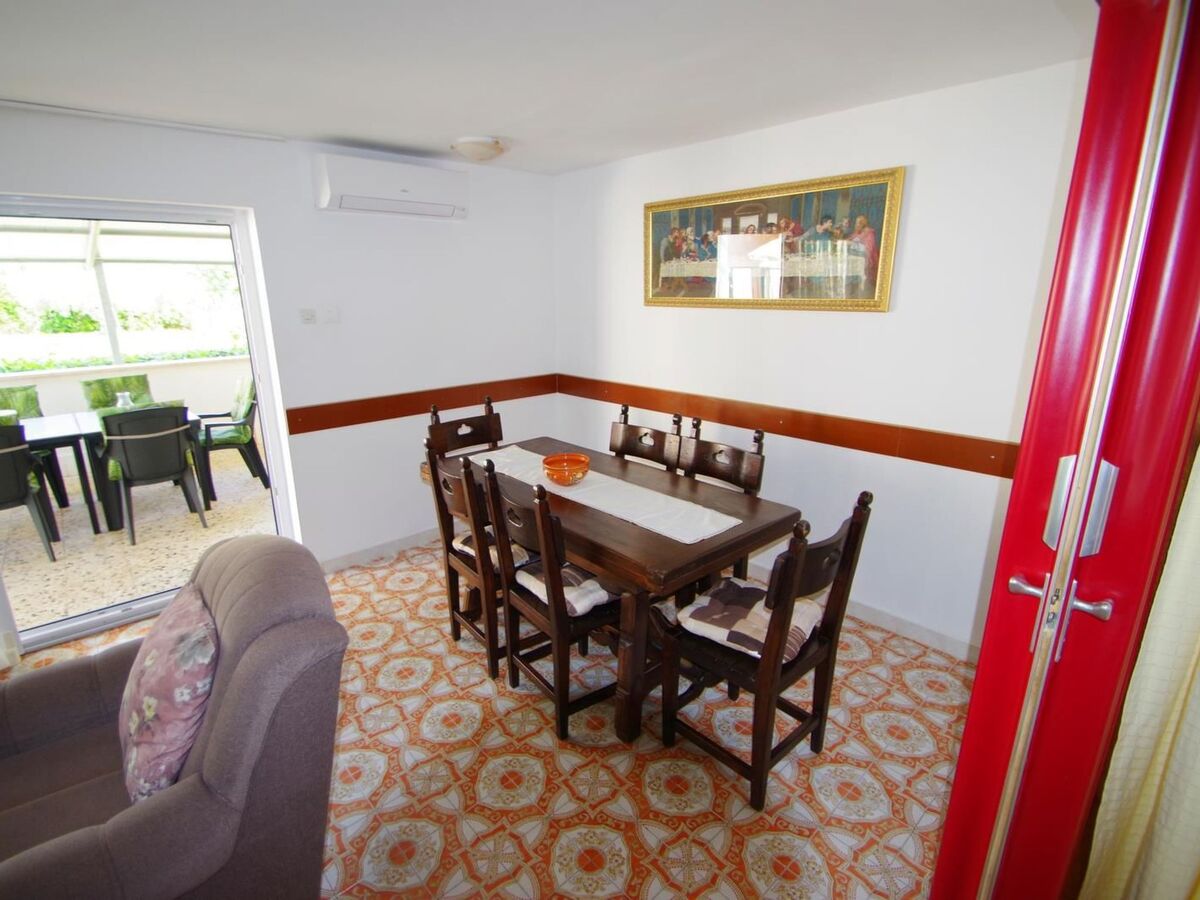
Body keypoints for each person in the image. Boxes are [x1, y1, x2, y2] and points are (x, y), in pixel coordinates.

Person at [847, 214, 880, 289]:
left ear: (863, 224)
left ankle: (857, 286)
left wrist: (852, 244)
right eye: (856, 223)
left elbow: (868, 249)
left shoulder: (869, 233)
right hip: (855, 257)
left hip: (865, 258)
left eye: (858, 223)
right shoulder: (857, 232)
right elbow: (850, 239)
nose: (856, 225)